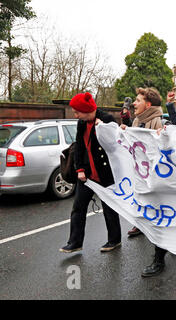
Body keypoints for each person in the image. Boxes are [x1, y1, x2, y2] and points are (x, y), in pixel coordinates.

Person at [59, 92, 122, 253]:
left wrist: (103, 128)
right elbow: (79, 146)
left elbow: (115, 144)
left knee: (109, 208)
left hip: (105, 173)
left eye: (77, 111)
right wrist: (79, 169)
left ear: (86, 110)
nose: (75, 115)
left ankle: (114, 240)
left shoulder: (106, 119)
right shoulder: (81, 123)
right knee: (78, 207)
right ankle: (75, 242)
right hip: (87, 174)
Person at [120, 87, 171, 278]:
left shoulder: (162, 122)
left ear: (148, 105)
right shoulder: (136, 122)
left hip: (160, 183)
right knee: (150, 217)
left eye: (138, 100)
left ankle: (159, 260)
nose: (134, 103)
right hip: (142, 181)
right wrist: (126, 132)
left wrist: (164, 136)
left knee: (160, 220)